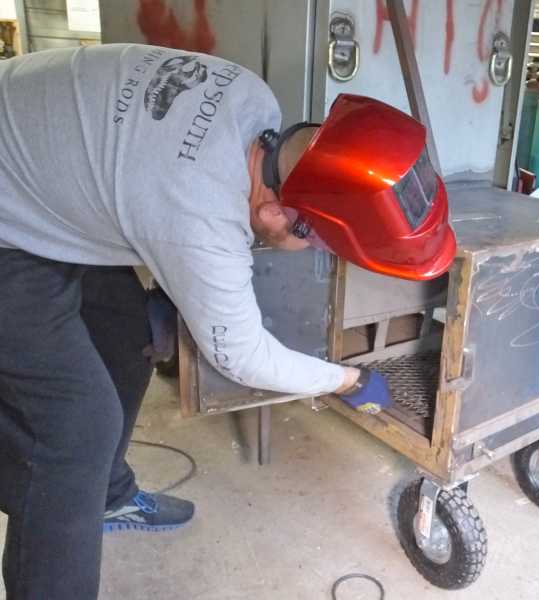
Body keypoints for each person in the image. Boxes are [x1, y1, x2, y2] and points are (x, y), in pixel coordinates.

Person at [0, 43, 454, 600]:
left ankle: (108, 496)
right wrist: (349, 380)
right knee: (73, 430)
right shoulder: (198, 211)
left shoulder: (251, 98)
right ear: (274, 213)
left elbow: (146, 171)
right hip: (9, 218)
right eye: (315, 244)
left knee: (128, 331)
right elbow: (241, 355)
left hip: (42, 172)